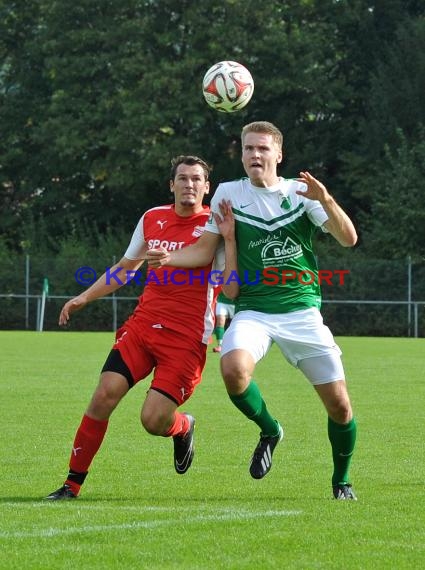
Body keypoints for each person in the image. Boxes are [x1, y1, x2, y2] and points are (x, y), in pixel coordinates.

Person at [147, 121, 358, 500]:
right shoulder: (229, 193)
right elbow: (204, 250)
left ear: (279, 154)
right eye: (248, 149)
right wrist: (170, 259)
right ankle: (270, 429)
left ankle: (341, 482)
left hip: (302, 312)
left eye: (262, 149)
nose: (254, 155)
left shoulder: (301, 192)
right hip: (254, 311)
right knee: (233, 370)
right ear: (241, 154)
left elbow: (348, 238)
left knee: (341, 407)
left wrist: (325, 199)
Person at [45, 155, 220, 500]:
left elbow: (221, 271)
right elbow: (126, 268)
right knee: (103, 395)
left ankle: (183, 426)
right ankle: (72, 485)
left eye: (196, 179)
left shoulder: (216, 224)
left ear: (207, 187)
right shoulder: (152, 218)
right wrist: (84, 298)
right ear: (172, 185)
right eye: (182, 179)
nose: (189, 185)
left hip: (185, 339)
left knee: (153, 420)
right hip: (142, 328)